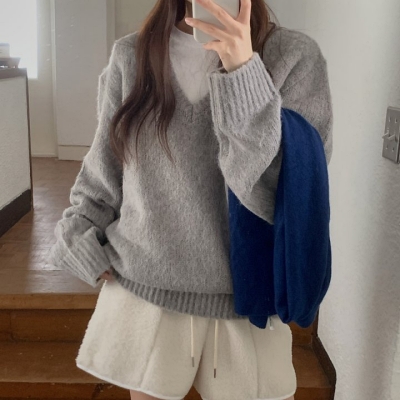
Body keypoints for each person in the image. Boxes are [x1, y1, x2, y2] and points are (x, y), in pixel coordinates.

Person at [46, 0, 333, 399]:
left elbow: (286, 194)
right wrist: (76, 236)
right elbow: (105, 171)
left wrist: (243, 73)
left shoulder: (294, 57)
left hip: (248, 301)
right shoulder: (132, 56)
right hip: (145, 292)